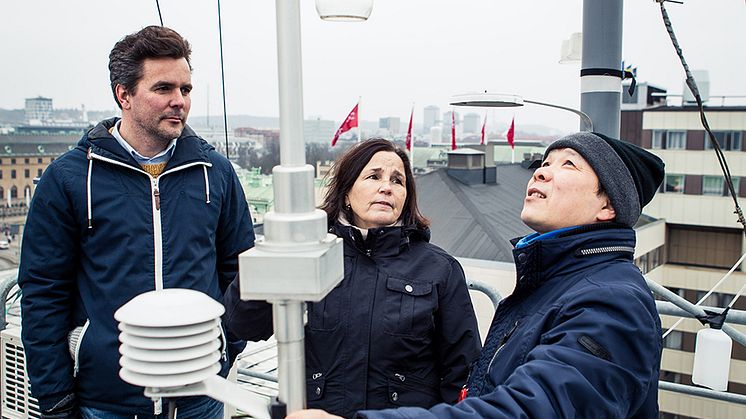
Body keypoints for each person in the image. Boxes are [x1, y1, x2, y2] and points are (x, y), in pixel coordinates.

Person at [287, 131, 666, 419]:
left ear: (607, 205)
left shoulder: (612, 300)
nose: (542, 173)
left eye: (568, 165)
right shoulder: (554, 284)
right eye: (544, 163)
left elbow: (531, 407)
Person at [18, 26, 255, 419]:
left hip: (202, 398)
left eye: (186, 89)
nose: (179, 101)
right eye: (164, 88)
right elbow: (43, 293)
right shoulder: (71, 178)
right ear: (123, 94)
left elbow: (241, 273)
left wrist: (226, 345)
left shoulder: (215, 172)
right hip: (106, 402)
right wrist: (55, 399)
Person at [225, 138, 481, 418]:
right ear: (346, 192)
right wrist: (275, 253)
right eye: (373, 176)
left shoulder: (439, 269)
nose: (386, 186)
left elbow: (463, 369)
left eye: (398, 181)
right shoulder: (313, 255)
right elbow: (243, 324)